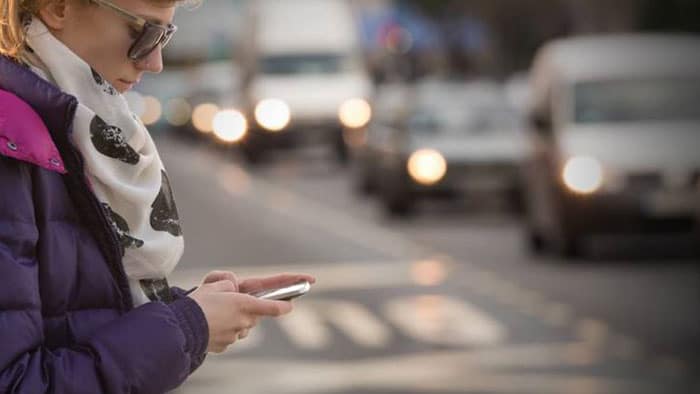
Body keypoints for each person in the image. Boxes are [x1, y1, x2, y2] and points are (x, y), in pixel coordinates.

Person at [0, 0, 315, 392]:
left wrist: (193, 308)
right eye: (144, 32)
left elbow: (74, 315)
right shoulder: (12, 141)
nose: (155, 62)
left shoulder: (72, 130)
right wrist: (188, 328)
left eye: (166, 34)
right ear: (58, 7)